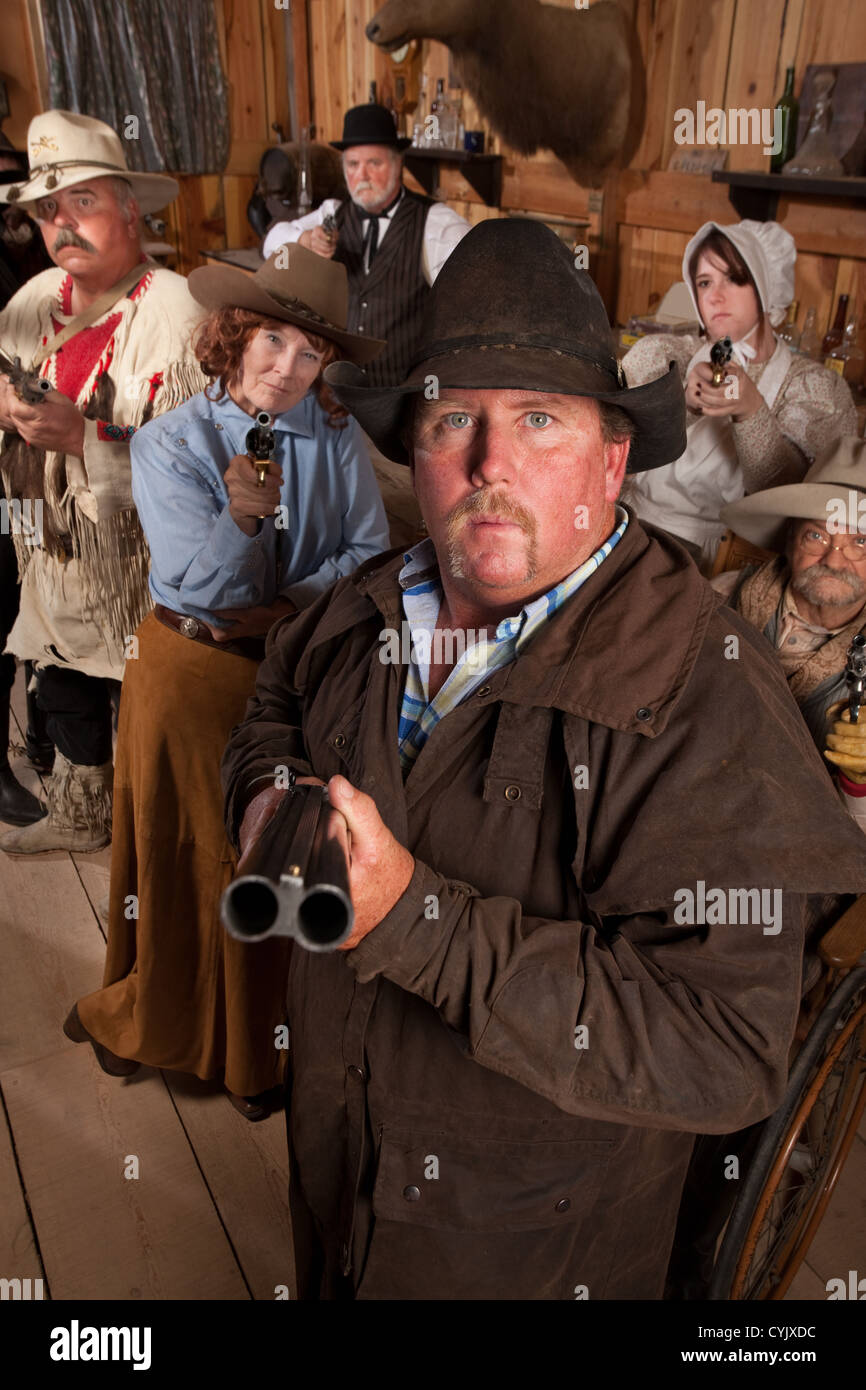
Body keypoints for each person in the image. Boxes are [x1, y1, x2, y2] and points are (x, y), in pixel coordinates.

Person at [221, 218, 866, 1299]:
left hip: (523, 1249)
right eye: (449, 422)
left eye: (536, 419)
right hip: (335, 1170)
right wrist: (265, 790)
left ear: (612, 458)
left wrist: (416, 922)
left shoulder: (708, 699)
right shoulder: (365, 599)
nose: (487, 464)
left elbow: (720, 1046)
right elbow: (277, 698)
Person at [65, 246, 389, 1120]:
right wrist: (241, 519)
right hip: (187, 675)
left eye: (311, 352)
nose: (287, 368)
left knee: (265, 858)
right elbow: (199, 592)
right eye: (273, 340)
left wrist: (290, 604)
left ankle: (257, 1054)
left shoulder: (335, 434)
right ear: (236, 335)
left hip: (290, 677)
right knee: (180, 857)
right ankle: (160, 1022)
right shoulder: (172, 442)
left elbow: (366, 555)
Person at [0, 110, 205, 854]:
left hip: (141, 559)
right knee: (62, 679)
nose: (64, 224)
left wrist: (84, 437)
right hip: (52, 544)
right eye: (49, 209)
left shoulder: (178, 311)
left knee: (150, 693)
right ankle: (83, 819)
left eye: (82, 202)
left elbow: (201, 457)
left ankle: (164, 834)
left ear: (129, 208)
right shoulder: (34, 300)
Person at [622, 219, 856, 572]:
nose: (714, 296)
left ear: (765, 288)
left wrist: (751, 411)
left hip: (724, 562)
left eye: (733, 278)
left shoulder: (813, 387)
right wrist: (678, 404)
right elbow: (608, 450)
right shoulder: (662, 355)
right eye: (704, 283)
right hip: (627, 536)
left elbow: (795, 507)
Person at [712, 436, 866, 831]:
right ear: (789, 540)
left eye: (860, 543)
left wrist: (859, 782)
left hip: (799, 841)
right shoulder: (721, 597)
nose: (834, 559)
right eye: (817, 535)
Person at [263, 104, 470, 390]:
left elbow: (474, 293)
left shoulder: (434, 221)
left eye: (374, 163)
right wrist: (304, 241)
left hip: (402, 396)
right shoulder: (333, 212)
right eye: (352, 164)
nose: (362, 175)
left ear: (398, 165)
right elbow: (272, 244)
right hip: (337, 394)